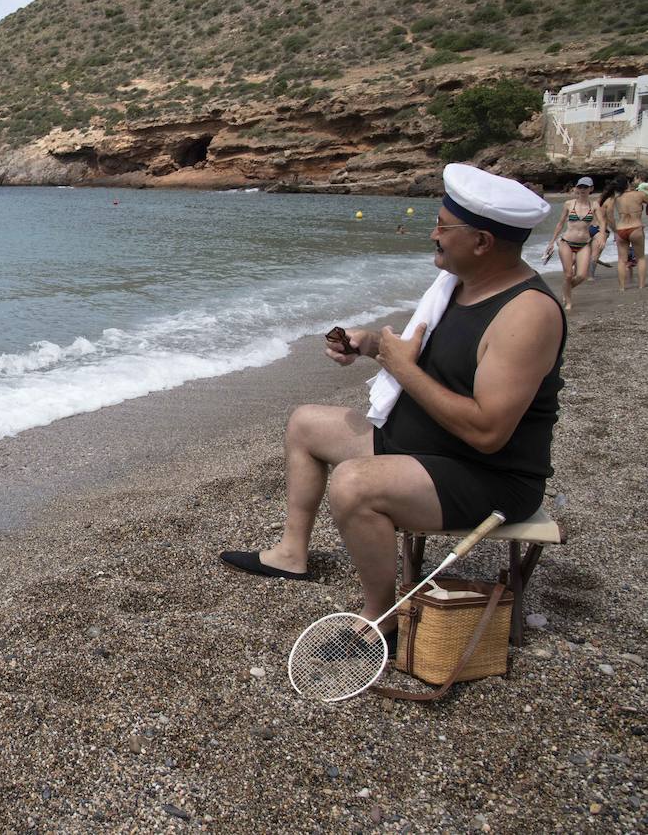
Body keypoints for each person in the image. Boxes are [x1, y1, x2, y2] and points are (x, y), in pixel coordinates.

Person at [220, 165, 564, 646]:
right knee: (305, 424)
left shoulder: (526, 315)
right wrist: (371, 345)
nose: (433, 234)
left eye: (444, 227)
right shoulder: (461, 285)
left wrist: (400, 367)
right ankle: (291, 553)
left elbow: (488, 433)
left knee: (354, 484)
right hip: (430, 444)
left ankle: (382, 615)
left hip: (489, 475)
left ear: (482, 242)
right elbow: (429, 358)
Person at [543, 175, 597, 310]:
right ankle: (568, 303)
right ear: (576, 188)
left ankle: (566, 290)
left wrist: (602, 235)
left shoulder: (594, 205)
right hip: (566, 242)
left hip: (584, 244)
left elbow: (602, 223)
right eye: (580, 186)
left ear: (591, 188)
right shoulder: (569, 204)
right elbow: (560, 223)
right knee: (568, 274)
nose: (582, 189)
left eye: (585, 187)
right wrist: (551, 242)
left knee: (582, 275)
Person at [610, 176, 648, 290]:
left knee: (622, 260)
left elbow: (609, 215)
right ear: (627, 183)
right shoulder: (639, 194)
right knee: (640, 258)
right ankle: (641, 285)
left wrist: (614, 230)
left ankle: (622, 287)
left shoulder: (616, 198)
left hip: (620, 229)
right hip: (635, 227)